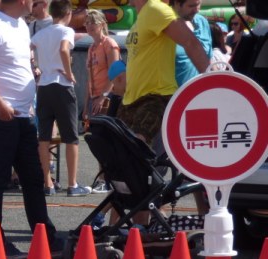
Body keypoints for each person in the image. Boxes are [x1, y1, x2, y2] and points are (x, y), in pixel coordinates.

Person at [0, 0, 61, 258]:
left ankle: (45, 237)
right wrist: (0, 105)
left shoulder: (21, 25)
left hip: (21, 115)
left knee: (33, 178)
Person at [118, 0, 210, 151]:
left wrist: (213, 82)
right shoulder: (142, 15)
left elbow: (190, 42)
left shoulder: (156, 9)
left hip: (155, 96)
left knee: (136, 151)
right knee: (116, 152)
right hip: (131, 99)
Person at [31, 0, 92, 197]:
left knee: (44, 136)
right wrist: (69, 72)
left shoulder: (41, 33)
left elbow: (28, 47)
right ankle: (72, 184)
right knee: (71, 137)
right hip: (62, 85)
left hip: (44, 85)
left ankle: (47, 182)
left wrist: (36, 65)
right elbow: (64, 49)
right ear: (68, 14)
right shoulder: (66, 31)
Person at [83, 9, 120, 193]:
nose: (89, 26)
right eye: (87, 23)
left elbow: (116, 72)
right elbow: (89, 79)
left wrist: (104, 95)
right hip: (95, 97)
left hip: (108, 97)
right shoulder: (91, 48)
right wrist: (86, 105)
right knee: (97, 140)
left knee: (106, 140)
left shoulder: (109, 44)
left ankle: (109, 179)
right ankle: (104, 178)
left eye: (93, 22)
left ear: (102, 24)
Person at [172, 0, 213, 86]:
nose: (196, 10)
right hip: (174, 92)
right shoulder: (166, 24)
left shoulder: (202, 22)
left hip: (203, 91)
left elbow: (209, 60)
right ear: (177, 3)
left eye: (198, 5)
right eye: (191, 6)